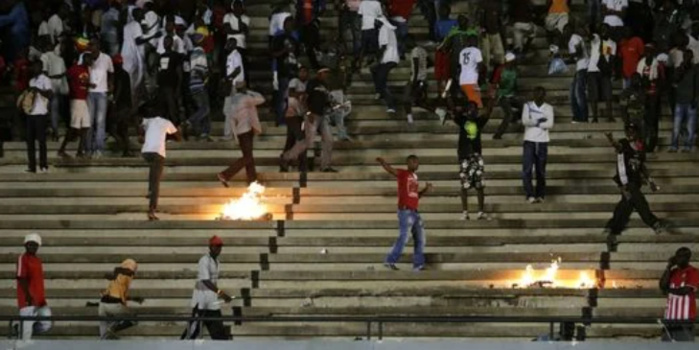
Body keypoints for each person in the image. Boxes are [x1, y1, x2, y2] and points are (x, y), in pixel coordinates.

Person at [602, 123, 664, 236]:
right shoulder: (623, 144)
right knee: (640, 202)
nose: (630, 133)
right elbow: (617, 146)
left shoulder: (640, 146)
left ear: (637, 132)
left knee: (625, 205)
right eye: (628, 131)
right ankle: (654, 223)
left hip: (636, 182)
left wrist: (650, 181)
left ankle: (611, 227)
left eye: (632, 131)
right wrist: (610, 138)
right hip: (627, 181)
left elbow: (641, 166)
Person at [377, 155, 432, 271]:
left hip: (414, 211)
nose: (416, 164)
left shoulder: (415, 178)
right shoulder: (403, 174)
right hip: (405, 211)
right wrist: (383, 162)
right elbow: (390, 170)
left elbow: (416, 196)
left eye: (417, 162)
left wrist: (425, 190)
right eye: (413, 162)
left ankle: (418, 264)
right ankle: (390, 260)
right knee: (405, 236)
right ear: (408, 163)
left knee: (421, 238)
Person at [280, 67, 336, 172]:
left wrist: (332, 105)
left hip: (322, 115)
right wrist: (308, 112)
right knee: (307, 141)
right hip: (311, 115)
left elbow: (325, 101)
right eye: (325, 73)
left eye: (328, 73)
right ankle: (286, 157)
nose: (327, 75)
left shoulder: (325, 86)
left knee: (329, 140)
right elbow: (304, 99)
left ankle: (325, 166)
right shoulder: (312, 83)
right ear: (319, 73)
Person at [452, 94, 495, 220]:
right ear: (467, 110)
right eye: (470, 108)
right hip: (464, 156)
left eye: (475, 108)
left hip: (476, 156)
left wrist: (491, 100)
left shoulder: (479, 121)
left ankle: (480, 212)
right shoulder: (462, 120)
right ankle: (465, 212)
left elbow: (487, 113)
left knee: (479, 185)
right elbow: (454, 112)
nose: (473, 110)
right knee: (464, 185)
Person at [182, 236, 233, 340]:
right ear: (210, 247)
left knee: (220, 335)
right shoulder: (204, 260)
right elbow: (206, 281)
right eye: (217, 246)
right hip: (201, 303)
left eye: (220, 246)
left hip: (212, 304)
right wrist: (222, 294)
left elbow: (212, 282)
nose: (219, 249)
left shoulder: (217, 262)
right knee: (192, 332)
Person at [217, 82, 264, 187]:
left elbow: (232, 120)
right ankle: (225, 174)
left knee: (249, 157)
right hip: (247, 130)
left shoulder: (233, 101)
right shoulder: (246, 98)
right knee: (247, 157)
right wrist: (250, 91)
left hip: (239, 131)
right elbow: (261, 99)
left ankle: (252, 181)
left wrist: (235, 136)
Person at [140, 103, 181, 221]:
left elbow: (140, 126)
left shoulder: (148, 121)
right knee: (156, 182)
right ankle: (151, 210)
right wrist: (177, 131)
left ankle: (149, 190)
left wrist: (144, 134)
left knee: (152, 173)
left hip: (146, 151)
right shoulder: (166, 122)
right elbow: (178, 137)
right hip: (158, 153)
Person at [15, 233, 52, 340]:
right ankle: (22, 333)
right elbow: (21, 277)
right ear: (25, 245)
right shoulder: (23, 258)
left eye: (35, 245)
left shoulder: (38, 260)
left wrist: (41, 298)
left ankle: (19, 327)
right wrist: (28, 296)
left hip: (40, 300)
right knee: (25, 336)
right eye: (30, 245)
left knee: (46, 324)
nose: (32, 247)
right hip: (28, 300)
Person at [522, 87, 553, 204]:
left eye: (541, 94)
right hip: (529, 140)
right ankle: (529, 194)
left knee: (541, 170)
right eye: (537, 93)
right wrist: (540, 121)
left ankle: (540, 194)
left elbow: (550, 124)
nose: (539, 96)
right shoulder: (528, 106)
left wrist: (533, 121)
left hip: (542, 141)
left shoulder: (548, 107)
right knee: (527, 169)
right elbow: (525, 121)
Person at [659, 247, 698, 342]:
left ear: (687, 258)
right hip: (670, 316)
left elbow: (685, 290)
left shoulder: (693, 272)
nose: (678, 259)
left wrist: (668, 290)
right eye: (677, 256)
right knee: (666, 345)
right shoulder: (673, 272)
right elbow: (662, 285)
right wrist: (668, 267)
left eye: (681, 257)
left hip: (685, 317)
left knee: (685, 345)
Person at [99, 259, 144, 340]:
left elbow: (113, 292)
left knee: (104, 330)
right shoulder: (129, 275)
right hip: (114, 305)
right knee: (134, 318)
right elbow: (122, 294)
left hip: (102, 304)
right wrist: (125, 305)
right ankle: (113, 328)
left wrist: (133, 299)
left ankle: (105, 339)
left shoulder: (115, 275)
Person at [58, 53, 92, 159]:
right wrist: (71, 88)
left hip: (83, 99)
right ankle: (62, 149)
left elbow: (83, 82)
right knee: (74, 127)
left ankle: (79, 151)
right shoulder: (75, 68)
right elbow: (66, 76)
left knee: (85, 126)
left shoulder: (87, 70)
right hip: (76, 99)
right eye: (88, 58)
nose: (90, 60)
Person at [86, 39, 114, 158]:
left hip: (102, 92)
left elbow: (111, 72)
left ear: (98, 46)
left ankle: (99, 148)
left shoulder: (106, 58)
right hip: (89, 93)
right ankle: (88, 148)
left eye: (93, 45)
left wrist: (111, 84)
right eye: (90, 45)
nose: (91, 47)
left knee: (100, 122)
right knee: (89, 122)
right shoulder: (85, 57)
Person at [25, 60, 52, 174]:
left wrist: (39, 90)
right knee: (30, 141)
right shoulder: (31, 81)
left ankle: (43, 165)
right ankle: (32, 166)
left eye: (36, 67)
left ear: (41, 67)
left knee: (41, 141)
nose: (34, 69)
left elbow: (50, 94)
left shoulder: (45, 80)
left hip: (41, 113)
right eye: (33, 67)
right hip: (31, 113)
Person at [183, 35, 211, 141]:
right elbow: (199, 69)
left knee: (202, 108)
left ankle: (204, 133)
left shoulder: (193, 53)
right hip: (199, 83)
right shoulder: (200, 52)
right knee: (205, 109)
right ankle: (189, 122)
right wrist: (205, 77)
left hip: (192, 84)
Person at [271, 17, 299, 126]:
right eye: (288, 24)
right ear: (284, 25)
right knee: (282, 97)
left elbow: (297, 55)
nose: (290, 26)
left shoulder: (294, 40)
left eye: (292, 24)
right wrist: (285, 50)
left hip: (293, 72)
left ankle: (290, 118)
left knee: (291, 99)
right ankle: (280, 119)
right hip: (283, 71)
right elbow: (273, 54)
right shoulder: (279, 38)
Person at [670, 49, 699, 153]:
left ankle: (687, 146)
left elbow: (697, 85)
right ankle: (674, 145)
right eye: (685, 56)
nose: (686, 58)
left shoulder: (695, 70)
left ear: (691, 58)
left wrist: (696, 98)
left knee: (690, 127)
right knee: (676, 126)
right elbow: (674, 80)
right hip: (679, 100)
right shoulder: (679, 69)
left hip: (691, 101)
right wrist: (681, 69)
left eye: (688, 57)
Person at [40, 36, 68, 141]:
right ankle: (55, 132)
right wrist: (57, 76)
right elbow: (64, 73)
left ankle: (46, 133)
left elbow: (44, 72)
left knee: (44, 111)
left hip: (47, 88)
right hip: (57, 88)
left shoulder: (44, 56)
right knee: (54, 111)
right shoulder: (60, 58)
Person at [587, 25, 616, 123]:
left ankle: (610, 116)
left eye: (606, 29)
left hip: (604, 70)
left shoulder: (612, 43)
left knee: (608, 94)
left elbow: (610, 58)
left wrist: (610, 71)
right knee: (593, 94)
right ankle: (595, 117)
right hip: (592, 70)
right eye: (602, 29)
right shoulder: (596, 38)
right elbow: (589, 36)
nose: (604, 31)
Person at [636, 43, 661, 152]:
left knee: (653, 121)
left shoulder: (657, 65)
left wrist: (652, 82)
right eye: (647, 51)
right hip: (643, 95)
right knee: (644, 120)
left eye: (650, 51)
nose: (648, 53)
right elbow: (637, 78)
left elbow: (661, 80)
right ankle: (643, 143)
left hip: (654, 95)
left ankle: (653, 143)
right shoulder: (640, 63)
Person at [372, 19, 399, 114]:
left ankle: (391, 105)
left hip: (389, 59)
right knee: (373, 69)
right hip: (389, 59)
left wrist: (377, 60)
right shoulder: (385, 28)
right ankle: (379, 91)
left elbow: (383, 47)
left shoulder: (384, 28)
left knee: (381, 80)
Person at [110, 54, 134, 157]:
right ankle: (126, 150)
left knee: (113, 126)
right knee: (123, 128)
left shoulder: (118, 74)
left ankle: (125, 147)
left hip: (121, 105)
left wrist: (114, 101)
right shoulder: (125, 73)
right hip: (127, 104)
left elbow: (119, 87)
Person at [492, 52, 520, 139]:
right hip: (502, 96)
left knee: (525, 106)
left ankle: (515, 117)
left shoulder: (515, 71)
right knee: (508, 113)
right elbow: (494, 83)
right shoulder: (500, 70)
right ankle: (498, 134)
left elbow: (515, 84)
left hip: (511, 95)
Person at [157, 35, 183, 124]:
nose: (165, 43)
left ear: (171, 43)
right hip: (161, 86)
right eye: (164, 42)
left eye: (167, 41)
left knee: (172, 109)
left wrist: (178, 87)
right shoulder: (161, 56)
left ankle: (176, 128)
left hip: (171, 86)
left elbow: (179, 72)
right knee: (161, 109)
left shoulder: (175, 56)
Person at [567, 23, 590, 123]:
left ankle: (583, 117)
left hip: (583, 67)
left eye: (566, 30)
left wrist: (568, 58)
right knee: (572, 93)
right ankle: (577, 116)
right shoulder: (571, 40)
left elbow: (579, 52)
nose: (565, 32)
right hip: (579, 68)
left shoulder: (574, 37)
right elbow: (575, 57)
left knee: (579, 93)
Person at [403, 34, 428, 124]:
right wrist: (423, 68)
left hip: (416, 79)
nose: (405, 44)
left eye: (406, 42)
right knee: (419, 100)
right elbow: (430, 62)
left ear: (410, 41)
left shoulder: (414, 51)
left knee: (406, 99)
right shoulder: (422, 50)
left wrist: (413, 81)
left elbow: (416, 66)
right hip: (423, 79)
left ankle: (410, 118)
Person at [223, 37, 244, 139]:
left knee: (231, 110)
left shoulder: (236, 55)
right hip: (231, 85)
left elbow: (238, 69)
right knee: (227, 110)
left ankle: (230, 134)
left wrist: (228, 78)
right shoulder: (230, 55)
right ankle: (230, 133)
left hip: (234, 85)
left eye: (230, 44)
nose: (227, 45)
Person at [296, 0, 325, 69]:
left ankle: (316, 64)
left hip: (312, 24)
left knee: (311, 45)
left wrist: (316, 18)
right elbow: (298, 9)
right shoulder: (301, 2)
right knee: (307, 46)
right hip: (303, 24)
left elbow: (322, 8)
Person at [458, 34, 484, 108]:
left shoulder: (462, 51)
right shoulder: (476, 51)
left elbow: (460, 66)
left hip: (462, 80)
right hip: (471, 81)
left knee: (468, 102)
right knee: (476, 104)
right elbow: (480, 65)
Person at [357, 0, 384, 67]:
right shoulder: (377, 3)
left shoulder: (363, 3)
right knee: (375, 46)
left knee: (363, 47)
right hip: (373, 26)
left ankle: (359, 64)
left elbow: (360, 14)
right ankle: (379, 62)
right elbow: (380, 15)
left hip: (365, 26)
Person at [479, 0, 505, 69]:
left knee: (500, 54)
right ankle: (485, 72)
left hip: (495, 31)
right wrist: (483, 29)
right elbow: (481, 18)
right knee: (485, 55)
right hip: (485, 32)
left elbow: (500, 19)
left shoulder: (499, 4)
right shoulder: (483, 3)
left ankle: (499, 72)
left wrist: (501, 32)